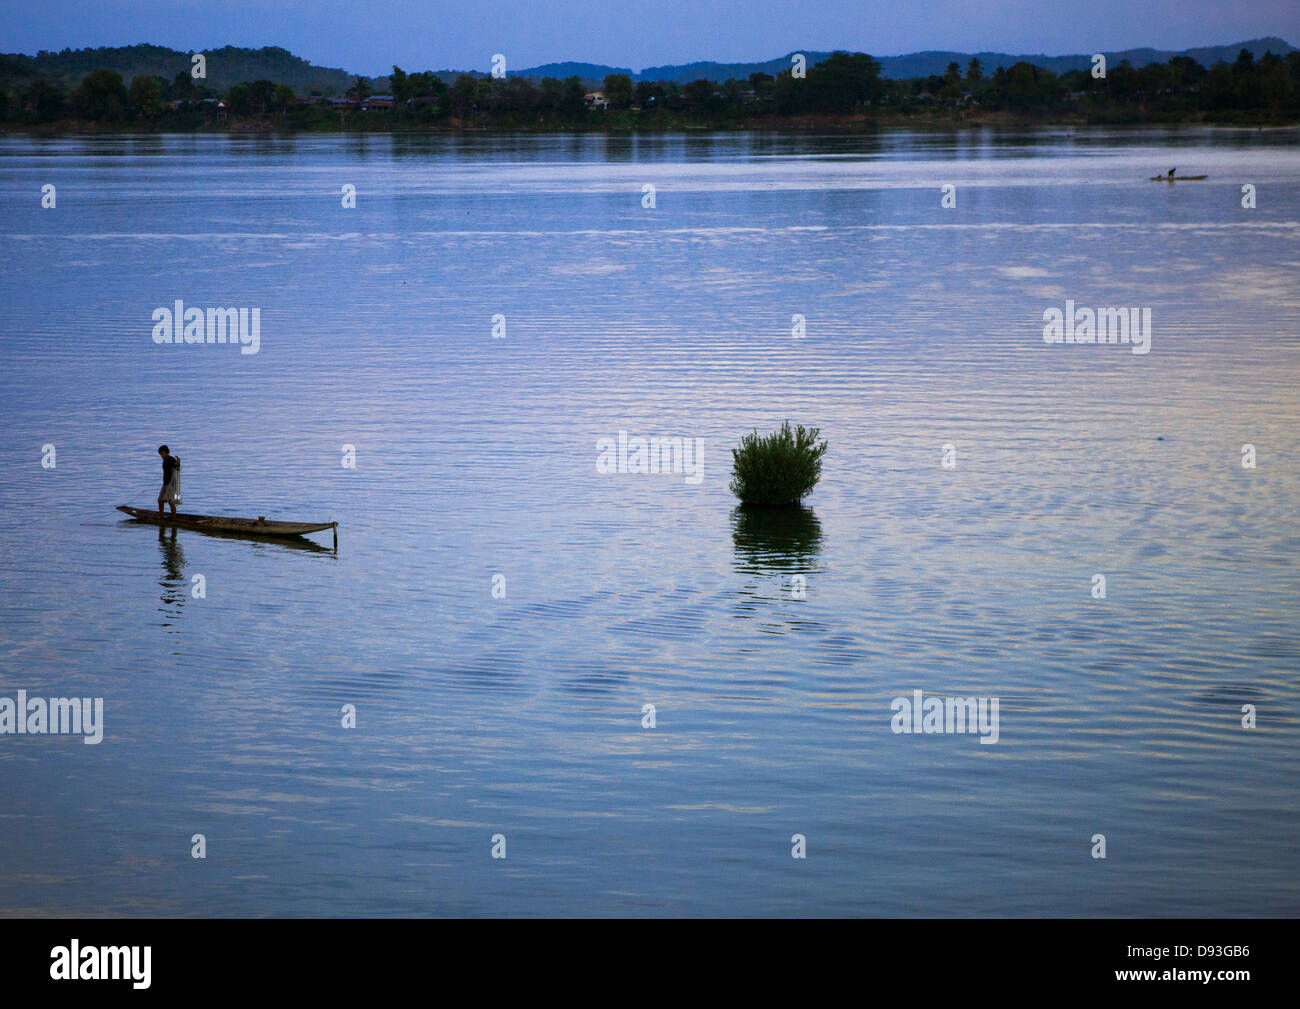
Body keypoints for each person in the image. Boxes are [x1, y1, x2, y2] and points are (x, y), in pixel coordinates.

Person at [157, 445, 182, 514]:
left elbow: (177, 467)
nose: (162, 455)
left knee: (171, 502)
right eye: (161, 454)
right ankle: (161, 515)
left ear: (167, 452)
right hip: (165, 483)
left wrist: (178, 463)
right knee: (160, 500)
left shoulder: (171, 459)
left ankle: (174, 517)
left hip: (171, 484)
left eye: (163, 453)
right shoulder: (164, 460)